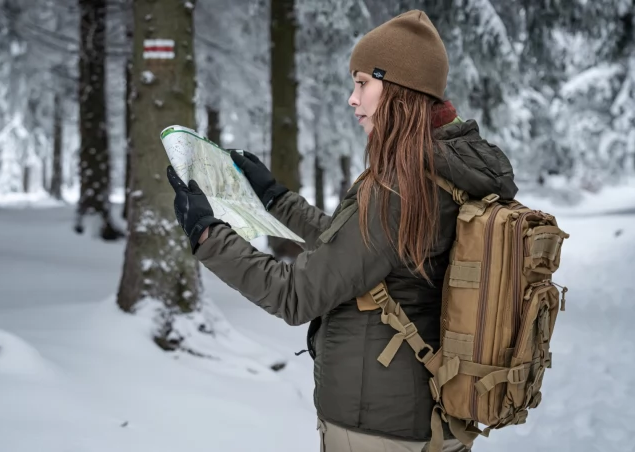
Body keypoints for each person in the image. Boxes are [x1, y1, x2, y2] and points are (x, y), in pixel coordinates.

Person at [167, 9, 518, 452]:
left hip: (378, 428)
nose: (352, 99)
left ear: (400, 89)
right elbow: (355, 249)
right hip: (424, 417)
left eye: (362, 83)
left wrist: (205, 234)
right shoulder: (443, 169)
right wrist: (276, 197)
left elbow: (295, 295)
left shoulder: (402, 187)